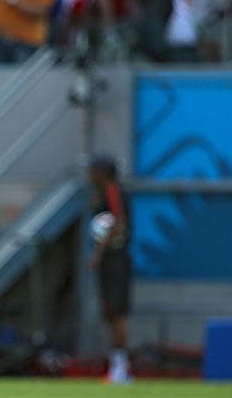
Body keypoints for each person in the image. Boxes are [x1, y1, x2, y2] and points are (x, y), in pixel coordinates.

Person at [87, 155, 132, 384]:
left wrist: (98, 253)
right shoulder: (101, 193)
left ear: (103, 172)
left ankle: (121, 369)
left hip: (115, 261)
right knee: (110, 313)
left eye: (93, 170)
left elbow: (117, 222)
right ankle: (117, 366)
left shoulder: (112, 190)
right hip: (111, 261)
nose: (90, 174)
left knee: (116, 313)